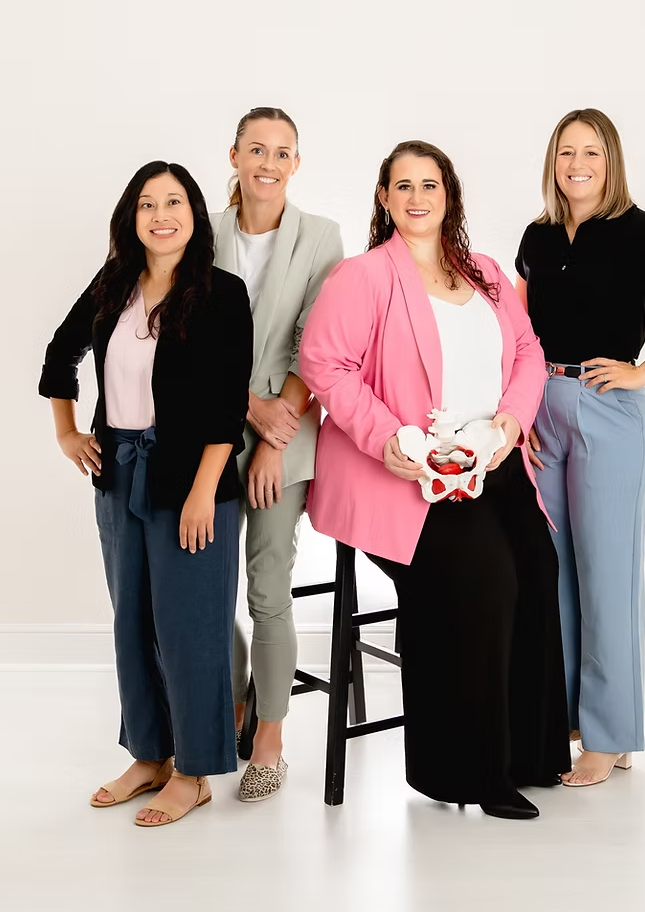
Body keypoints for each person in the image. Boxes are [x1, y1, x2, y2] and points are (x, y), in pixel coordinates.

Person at [300, 141, 571, 820]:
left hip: (489, 457)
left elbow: (529, 352)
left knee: (537, 567)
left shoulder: (482, 272)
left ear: (448, 196)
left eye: (430, 185)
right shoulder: (364, 277)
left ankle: (530, 756)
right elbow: (323, 364)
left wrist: (510, 424)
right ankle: (469, 773)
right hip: (405, 474)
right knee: (485, 581)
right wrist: (391, 438)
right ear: (385, 199)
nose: (417, 197)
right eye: (403, 186)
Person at [39, 162, 253, 825]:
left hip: (195, 482)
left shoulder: (221, 292)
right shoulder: (113, 284)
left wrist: (201, 493)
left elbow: (224, 407)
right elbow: (59, 354)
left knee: (190, 628)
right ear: (132, 218)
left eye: (174, 202)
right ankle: (150, 754)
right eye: (147, 204)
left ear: (195, 213)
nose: (161, 214)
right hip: (118, 474)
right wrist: (69, 433)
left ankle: (194, 771)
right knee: (132, 621)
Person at [515, 108, 645, 786]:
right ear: (553, 161)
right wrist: (515, 415)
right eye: (566, 152)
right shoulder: (538, 237)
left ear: (611, 163)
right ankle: (572, 721)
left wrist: (642, 371)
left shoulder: (644, 233)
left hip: (609, 411)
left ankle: (608, 737)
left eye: (591, 153)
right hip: (541, 412)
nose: (578, 163)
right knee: (552, 574)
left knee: (607, 578)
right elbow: (517, 333)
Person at [211, 107, 343, 801]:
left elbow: (314, 346)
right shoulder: (197, 234)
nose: (267, 162)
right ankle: (232, 696)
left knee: (267, 587)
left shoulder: (322, 238)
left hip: (283, 440)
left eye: (282, 152)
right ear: (233, 154)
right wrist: (245, 410)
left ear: (297, 163)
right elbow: (185, 343)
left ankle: (269, 734)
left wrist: (270, 435)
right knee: (198, 585)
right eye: (255, 149)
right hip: (204, 430)